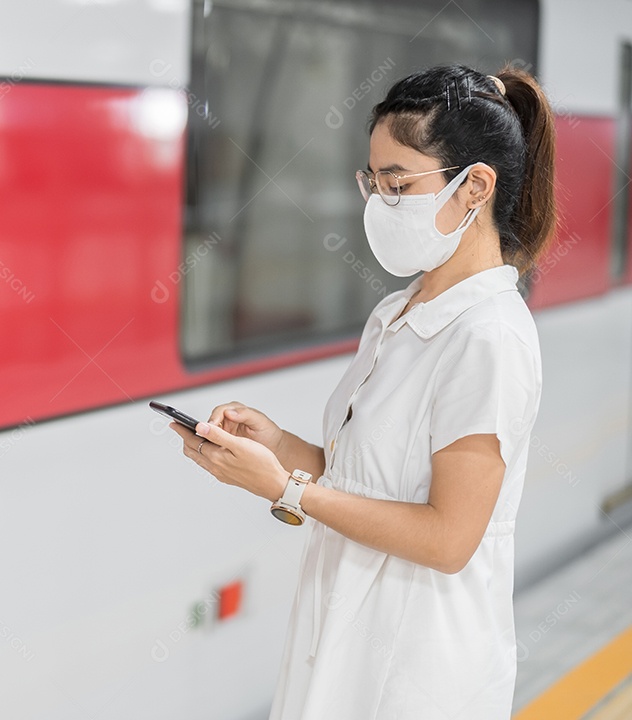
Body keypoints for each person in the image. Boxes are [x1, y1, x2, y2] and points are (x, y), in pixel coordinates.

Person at [171, 64, 556, 719]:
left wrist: (286, 490)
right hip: (346, 641)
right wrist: (279, 448)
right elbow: (365, 481)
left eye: (399, 184)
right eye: (373, 182)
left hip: (417, 674)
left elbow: (448, 538)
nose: (380, 202)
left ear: (475, 188)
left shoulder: (489, 337)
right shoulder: (400, 313)